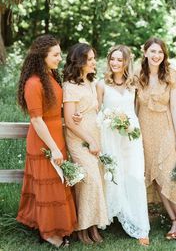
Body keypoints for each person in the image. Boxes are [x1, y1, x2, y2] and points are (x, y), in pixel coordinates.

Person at [16, 34, 77, 248]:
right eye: (56, 54)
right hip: (44, 142)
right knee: (47, 189)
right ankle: (48, 232)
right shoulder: (33, 83)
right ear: (43, 56)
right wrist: (53, 148)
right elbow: (36, 120)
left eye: (60, 54)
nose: (60, 58)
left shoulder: (50, 77)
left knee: (58, 185)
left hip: (56, 137)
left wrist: (70, 117)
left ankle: (58, 227)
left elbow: (54, 108)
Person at [96, 45, 150, 246]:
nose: (116, 63)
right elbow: (96, 111)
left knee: (135, 175)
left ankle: (140, 225)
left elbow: (135, 110)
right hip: (110, 135)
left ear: (127, 62)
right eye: (113, 59)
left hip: (131, 136)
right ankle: (110, 217)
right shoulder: (101, 84)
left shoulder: (133, 84)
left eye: (120, 60)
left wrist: (129, 125)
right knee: (113, 174)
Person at [135, 37, 176, 240]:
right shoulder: (138, 76)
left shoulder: (171, 76)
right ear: (146, 53)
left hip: (166, 131)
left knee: (168, 176)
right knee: (156, 179)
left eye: (160, 52)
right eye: (153, 51)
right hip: (144, 133)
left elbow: (175, 109)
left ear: (164, 55)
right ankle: (174, 220)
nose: (157, 55)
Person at [63, 43, 108, 245]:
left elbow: (94, 109)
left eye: (93, 58)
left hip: (94, 134)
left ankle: (93, 226)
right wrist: (89, 140)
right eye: (89, 59)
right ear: (79, 61)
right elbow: (70, 121)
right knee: (89, 182)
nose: (93, 62)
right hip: (79, 138)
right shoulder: (69, 86)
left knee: (97, 181)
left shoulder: (91, 82)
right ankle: (82, 228)